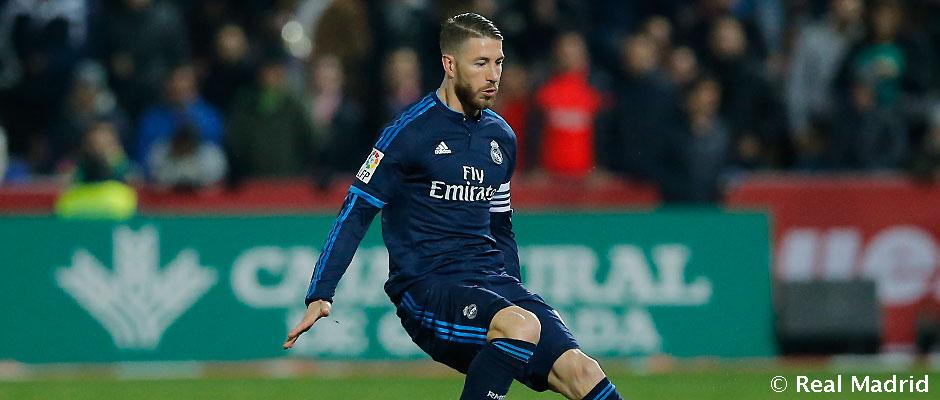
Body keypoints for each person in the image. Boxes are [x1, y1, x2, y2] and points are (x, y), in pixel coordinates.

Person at [284, 13, 623, 400]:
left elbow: (501, 226)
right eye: (481, 63)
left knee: (583, 371)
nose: (493, 75)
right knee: (520, 327)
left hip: (490, 282)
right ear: (450, 64)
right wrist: (321, 291)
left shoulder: (501, 137)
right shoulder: (408, 132)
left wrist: (511, 294)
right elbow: (356, 211)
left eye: (498, 62)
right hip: (427, 287)